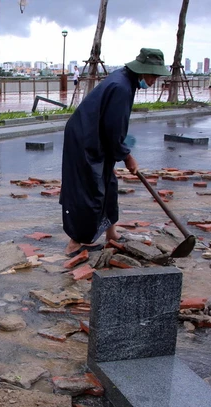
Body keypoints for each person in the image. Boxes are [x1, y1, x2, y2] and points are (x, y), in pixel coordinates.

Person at [60, 48, 170, 256]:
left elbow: (113, 129)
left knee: (108, 183)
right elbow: (114, 130)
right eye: (153, 76)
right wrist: (127, 156)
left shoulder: (126, 80)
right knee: (89, 190)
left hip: (97, 137)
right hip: (85, 139)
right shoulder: (121, 87)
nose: (154, 81)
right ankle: (75, 242)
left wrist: (119, 152)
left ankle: (111, 233)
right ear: (142, 70)